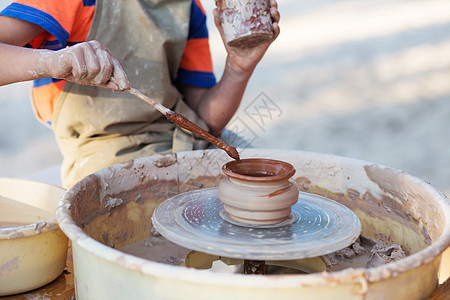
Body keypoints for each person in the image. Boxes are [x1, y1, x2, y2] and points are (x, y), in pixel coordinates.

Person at [0, 0, 280, 187]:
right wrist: (50, 62)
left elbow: (206, 121)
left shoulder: (187, 8)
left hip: (184, 142)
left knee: (275, 189)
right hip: (104, 155)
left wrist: (239, 66)